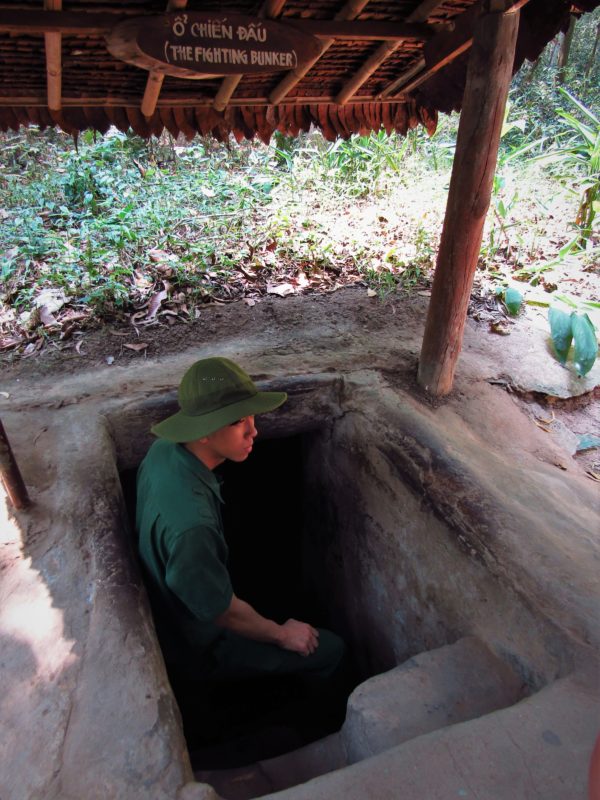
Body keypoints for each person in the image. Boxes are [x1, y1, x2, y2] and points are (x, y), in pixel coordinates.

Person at [136, 356, 347, 713]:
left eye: (252, 418)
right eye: (238, 423)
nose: (254, 432)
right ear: (203, 429)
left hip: (182, 596)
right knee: (330, 649)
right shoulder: (193, 528)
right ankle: (316, 718)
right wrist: (283, 634)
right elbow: (222, 614)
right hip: (197, 643)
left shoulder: (164, 452)